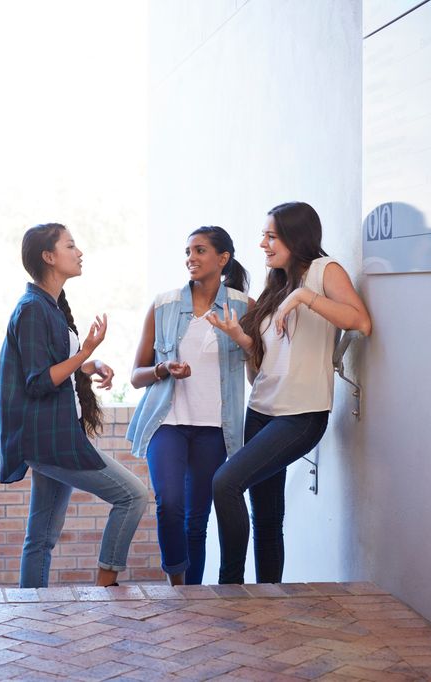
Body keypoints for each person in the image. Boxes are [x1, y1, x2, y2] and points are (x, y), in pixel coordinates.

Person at [209, 202, 372, 584]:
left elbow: (360, 321)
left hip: (302, 415)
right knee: (266, 518)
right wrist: (240, 338)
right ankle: (268, 599)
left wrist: (302, 298)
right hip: (262, 409)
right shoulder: (277, 282)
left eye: (271, 235)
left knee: (225, 483)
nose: (262, 243)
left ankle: (228, 589)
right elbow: (270, 359)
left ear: (295, 237)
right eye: (263, 235)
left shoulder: (323, 271)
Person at [0, 223, 148, 588]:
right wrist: (85, 351)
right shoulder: (33, 308)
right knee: (133, 495)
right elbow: (38, 380)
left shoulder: (49, 305)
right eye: (70, 246)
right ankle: (106, 583)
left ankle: (32, 606)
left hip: (54, 434)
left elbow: (55, 365)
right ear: (49, 257)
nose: (79, 252)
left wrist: (89, 364)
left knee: (41, 537)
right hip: (50, 438)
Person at [126, 226, 252, 585]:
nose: (190, 259)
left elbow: (259, 364)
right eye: (187, 252)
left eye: (199, 251)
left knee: (197, 519)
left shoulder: (243, 307)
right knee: (169, 503)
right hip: (167, 422)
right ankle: (176, 585)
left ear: (222, 258)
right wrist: (164, 368)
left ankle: (192, 595)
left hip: (214, 428)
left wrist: (239, 337)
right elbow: (136, 375)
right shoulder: (163, 305)